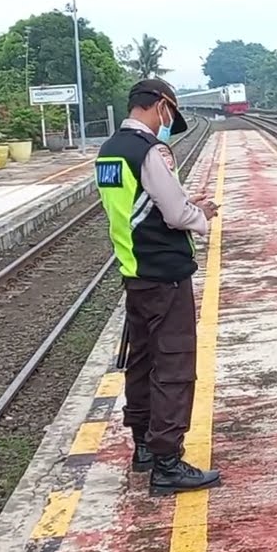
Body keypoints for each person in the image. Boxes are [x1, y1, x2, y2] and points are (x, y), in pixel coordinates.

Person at [96, 78, 220, 496]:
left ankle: (144, 447)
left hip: (134, 272)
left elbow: (136, 207)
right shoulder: (148, 152)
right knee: (173, 365)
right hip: (164, 275)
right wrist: (201, 214)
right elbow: (173, 212)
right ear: (160, 106)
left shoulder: (109, 151)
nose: (170, 121)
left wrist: (185, 208)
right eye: (170, 113)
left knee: (142, 362)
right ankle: (168, 463)